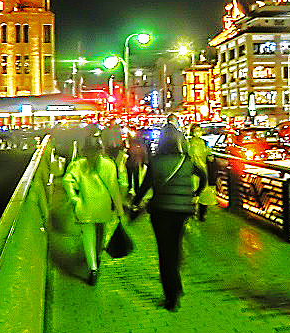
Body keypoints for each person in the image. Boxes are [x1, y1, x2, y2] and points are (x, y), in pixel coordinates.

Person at [130, 124, 206, 311]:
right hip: (181, 212)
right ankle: (177, 286)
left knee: (165, 254)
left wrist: (135, 203)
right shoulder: (186, 161)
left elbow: (145, 186)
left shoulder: (156, 162)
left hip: (161, 212)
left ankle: (171, 297)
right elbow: (204, 176)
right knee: (175, 246)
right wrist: (195, 193)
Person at [63, 133, 125, 285]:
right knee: (101, 233)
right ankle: (97, 256)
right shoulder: (109, 165)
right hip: (103, 207)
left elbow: (67, 180)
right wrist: (119, 210)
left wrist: (74, 198)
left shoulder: (78, 165)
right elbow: (114, 189)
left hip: (85, 207)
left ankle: (93, 269)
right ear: (100, 149)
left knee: (88, 237)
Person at [188, 123, 216, 221]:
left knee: (204, 192)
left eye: (199, 130)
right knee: (195, 190)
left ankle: (202, 214)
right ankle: (192, 212)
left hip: (203, 169)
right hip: (193, 170)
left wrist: (210, 156)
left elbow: (208, 153)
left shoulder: (204, 142)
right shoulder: (188, 142)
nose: (198, 132)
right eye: (196, 130)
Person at [125, 127, 149, 199]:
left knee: (132, 175)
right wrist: (144, 161)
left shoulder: (131, 142)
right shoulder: (139, 143)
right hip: (135, 162)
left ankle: (132, 188)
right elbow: (143, 152)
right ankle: (135, 189)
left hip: (132, 162)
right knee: (135, 176)